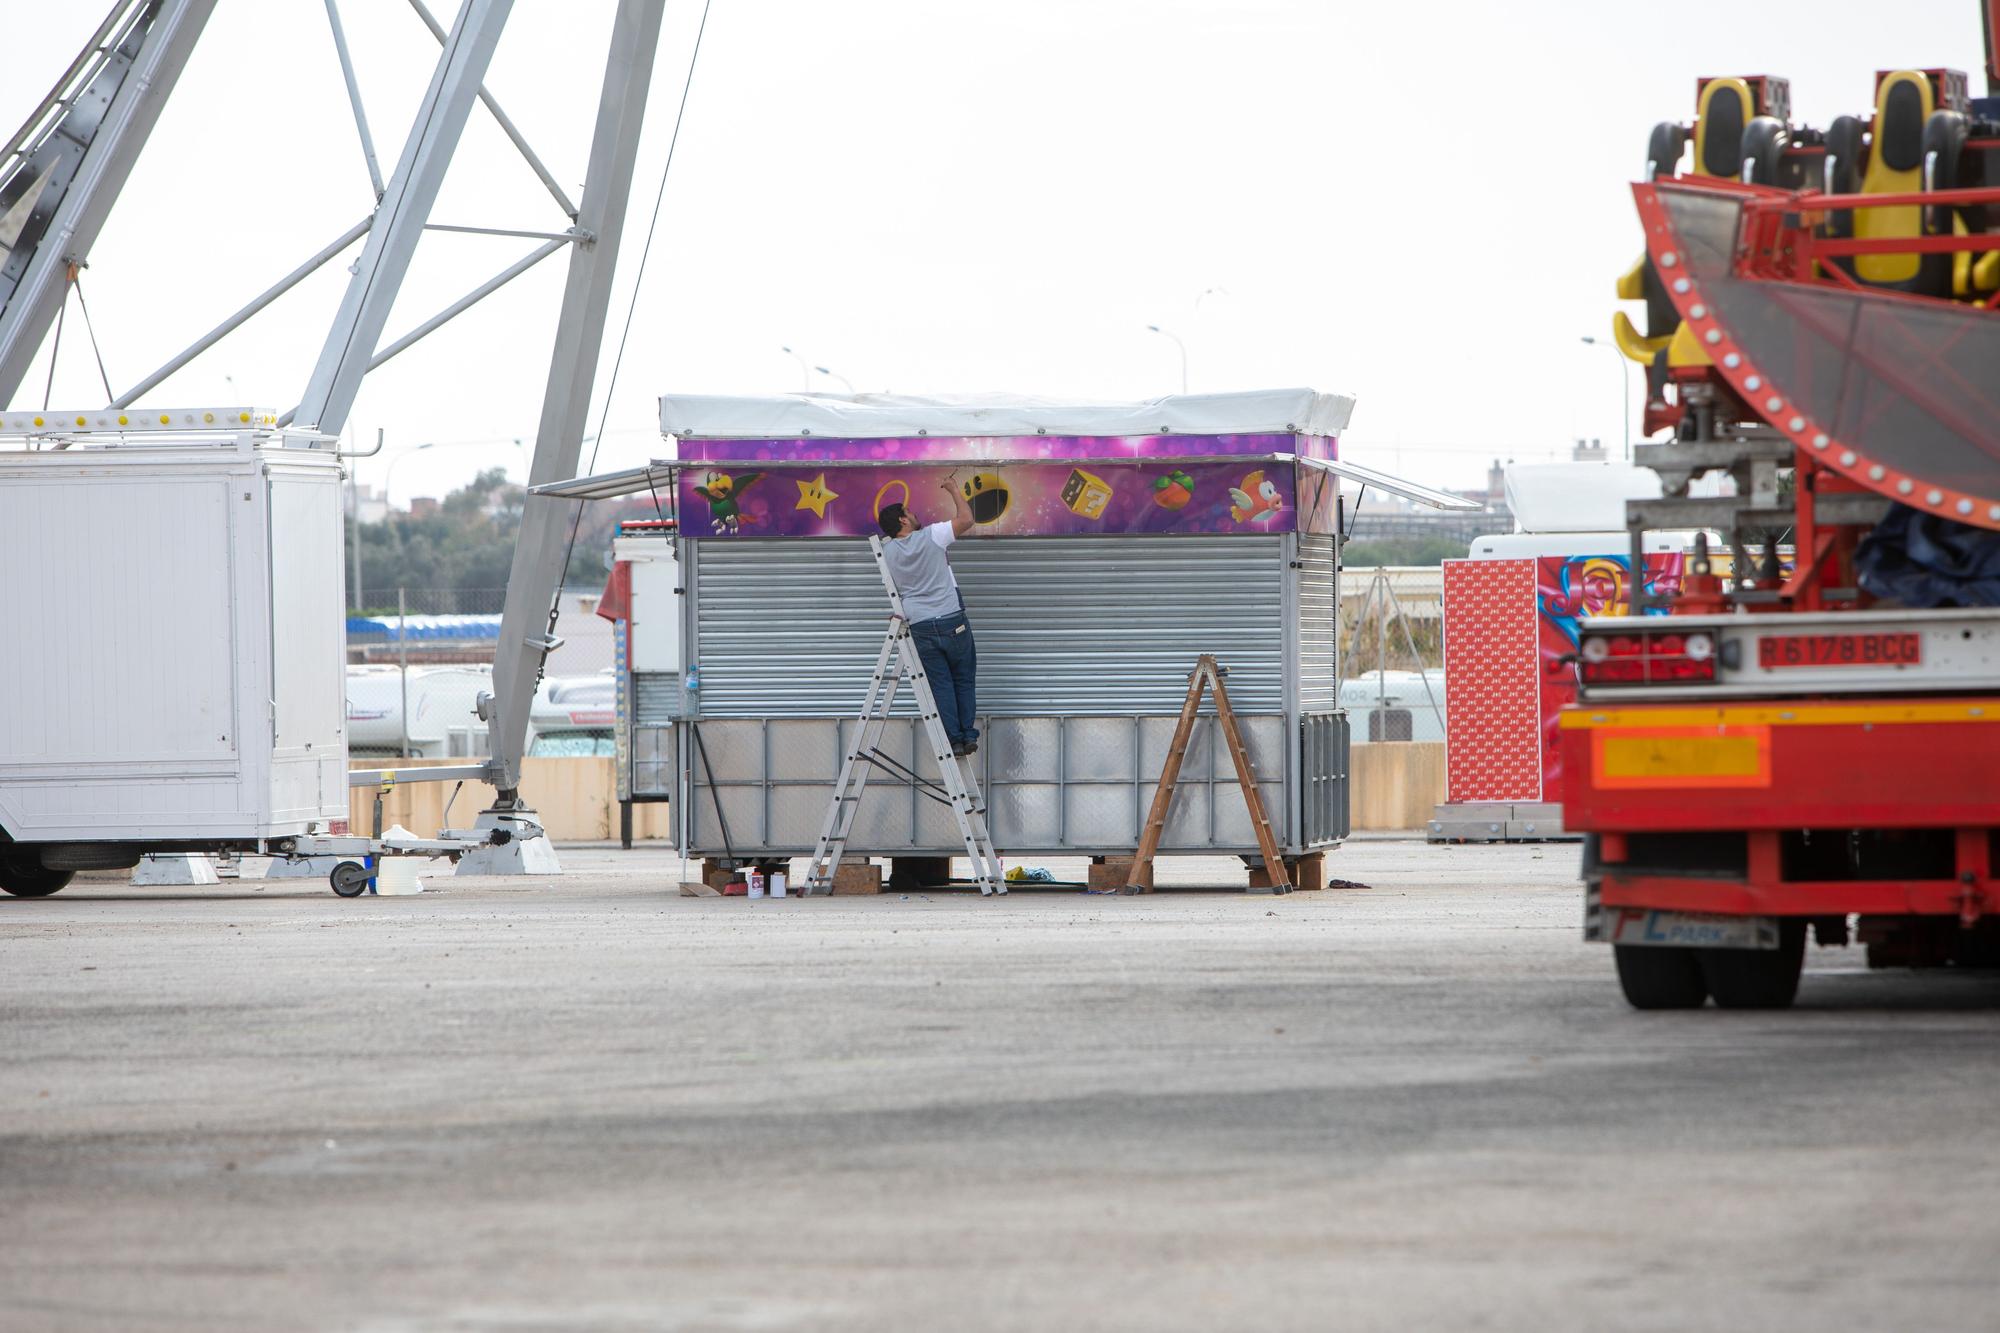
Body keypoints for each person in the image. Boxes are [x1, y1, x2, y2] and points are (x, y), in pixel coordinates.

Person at [878, 476, 980, 757]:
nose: (914, 514)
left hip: (920, 625)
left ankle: (954, 740)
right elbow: (967, 519)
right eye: (909, 512)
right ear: (903, 521)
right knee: (963, 679)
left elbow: (898, 590)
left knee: (941, 684)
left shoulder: (885, 553)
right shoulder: (933, 535)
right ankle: (968, 734)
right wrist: (953, 490)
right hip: (951, 619)